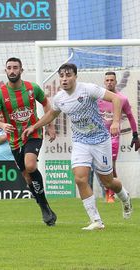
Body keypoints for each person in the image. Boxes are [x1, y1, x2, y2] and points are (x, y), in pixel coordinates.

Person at [23, 63, 133, 230]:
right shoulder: (60, 98)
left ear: (75, 76)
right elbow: (52, 113)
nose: (64, 79)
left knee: (108, 182)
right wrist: (35, 126)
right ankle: (96, 221)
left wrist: (116, 121)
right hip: (80, 142)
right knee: (80, 178)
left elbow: (116, 99)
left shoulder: (88, 89)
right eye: (61, 76)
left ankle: (125, 198)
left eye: (68, 76)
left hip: (100, 140)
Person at [0, 57, 57, 226]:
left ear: (21, 70)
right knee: (27, 177)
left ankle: (44, 208)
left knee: (31, 165)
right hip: (14, 140)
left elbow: (47, 104)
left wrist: (49, 126)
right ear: (5, 71)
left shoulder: (32, 88)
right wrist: (2, 124)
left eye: (15, 67)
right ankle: (44, 205)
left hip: (33, 133)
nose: (12, 71)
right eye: (9, 68)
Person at [97, 71, 139, 202]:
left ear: (115, 82)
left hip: (113, 136)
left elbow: (131, 117)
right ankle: (115, 190)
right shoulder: (98, 97)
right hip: (98, 136)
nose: (109, 82)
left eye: (112, 80)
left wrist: (135, 135)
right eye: (107, 80)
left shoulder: (122, 99)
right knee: (100, 166)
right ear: (104, 82)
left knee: (111, 165)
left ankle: (110, 194)